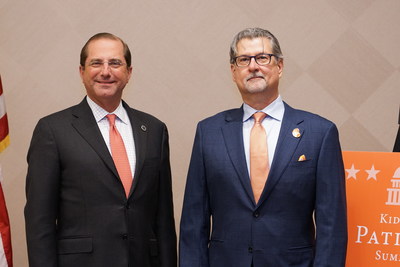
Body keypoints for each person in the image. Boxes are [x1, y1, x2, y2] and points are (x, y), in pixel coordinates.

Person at [179, 27, 347, 267]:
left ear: (279, 66)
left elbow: (332, 225)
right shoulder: (209, 132)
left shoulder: (320, 133)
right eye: (243, 59)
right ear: (233, 71)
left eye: (262, 58)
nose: (253, 66)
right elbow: (193, 222)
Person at [25, 33, 177, 267]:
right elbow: (39, 221)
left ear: (129, 73)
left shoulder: (155, 130)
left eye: (115, 63)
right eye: (96, 63)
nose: (106, 71)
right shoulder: (53, 130)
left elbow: (163, 219)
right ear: (81, 72)